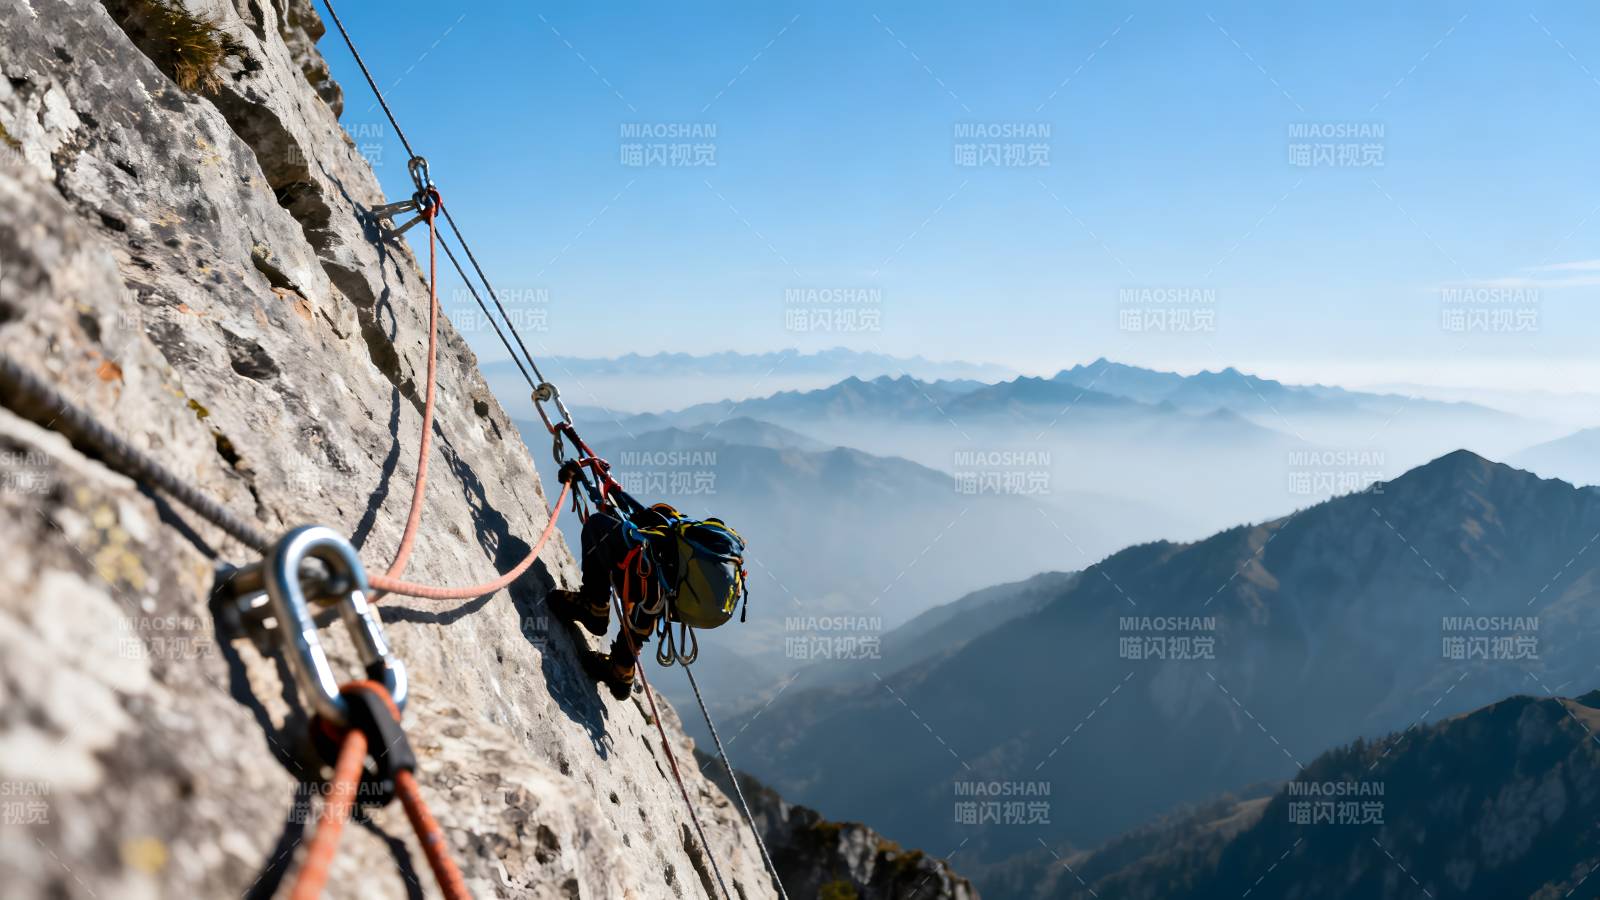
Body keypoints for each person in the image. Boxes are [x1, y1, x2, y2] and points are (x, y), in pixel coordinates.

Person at [547, 503, 680, 700]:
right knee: (654, 594)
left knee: (597, 526)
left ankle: (594, 606)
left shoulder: (664, 529)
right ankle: (622, 669)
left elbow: (630, 531)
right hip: (672, 597)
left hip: (647, 578)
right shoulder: (685, 549)